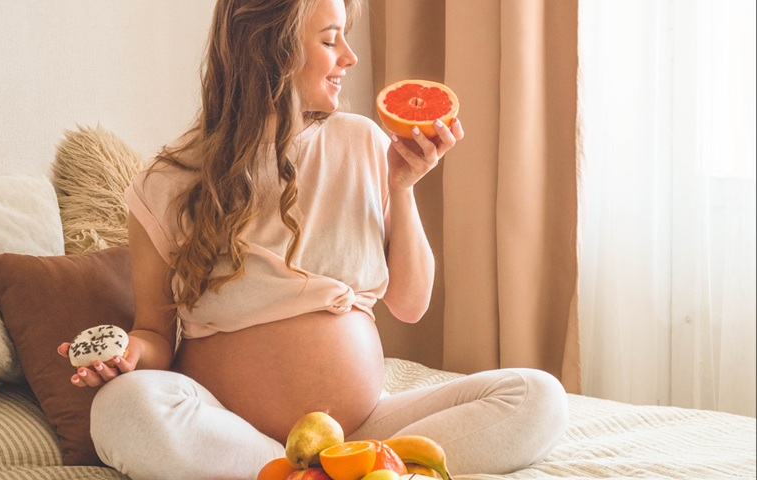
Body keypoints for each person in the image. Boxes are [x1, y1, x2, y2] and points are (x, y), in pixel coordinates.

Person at [56, 0, 568, 478]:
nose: (350, 56)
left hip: (362, 432)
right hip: (235, 433)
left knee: (536, 397)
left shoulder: (361, 141)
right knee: (122, 409)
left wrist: (401, 187)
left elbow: (411, 304)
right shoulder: (167, 183)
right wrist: (125, 358)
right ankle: (295, 472)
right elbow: (155, 337)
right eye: (329, 41)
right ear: (269, 49)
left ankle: (330, 470)